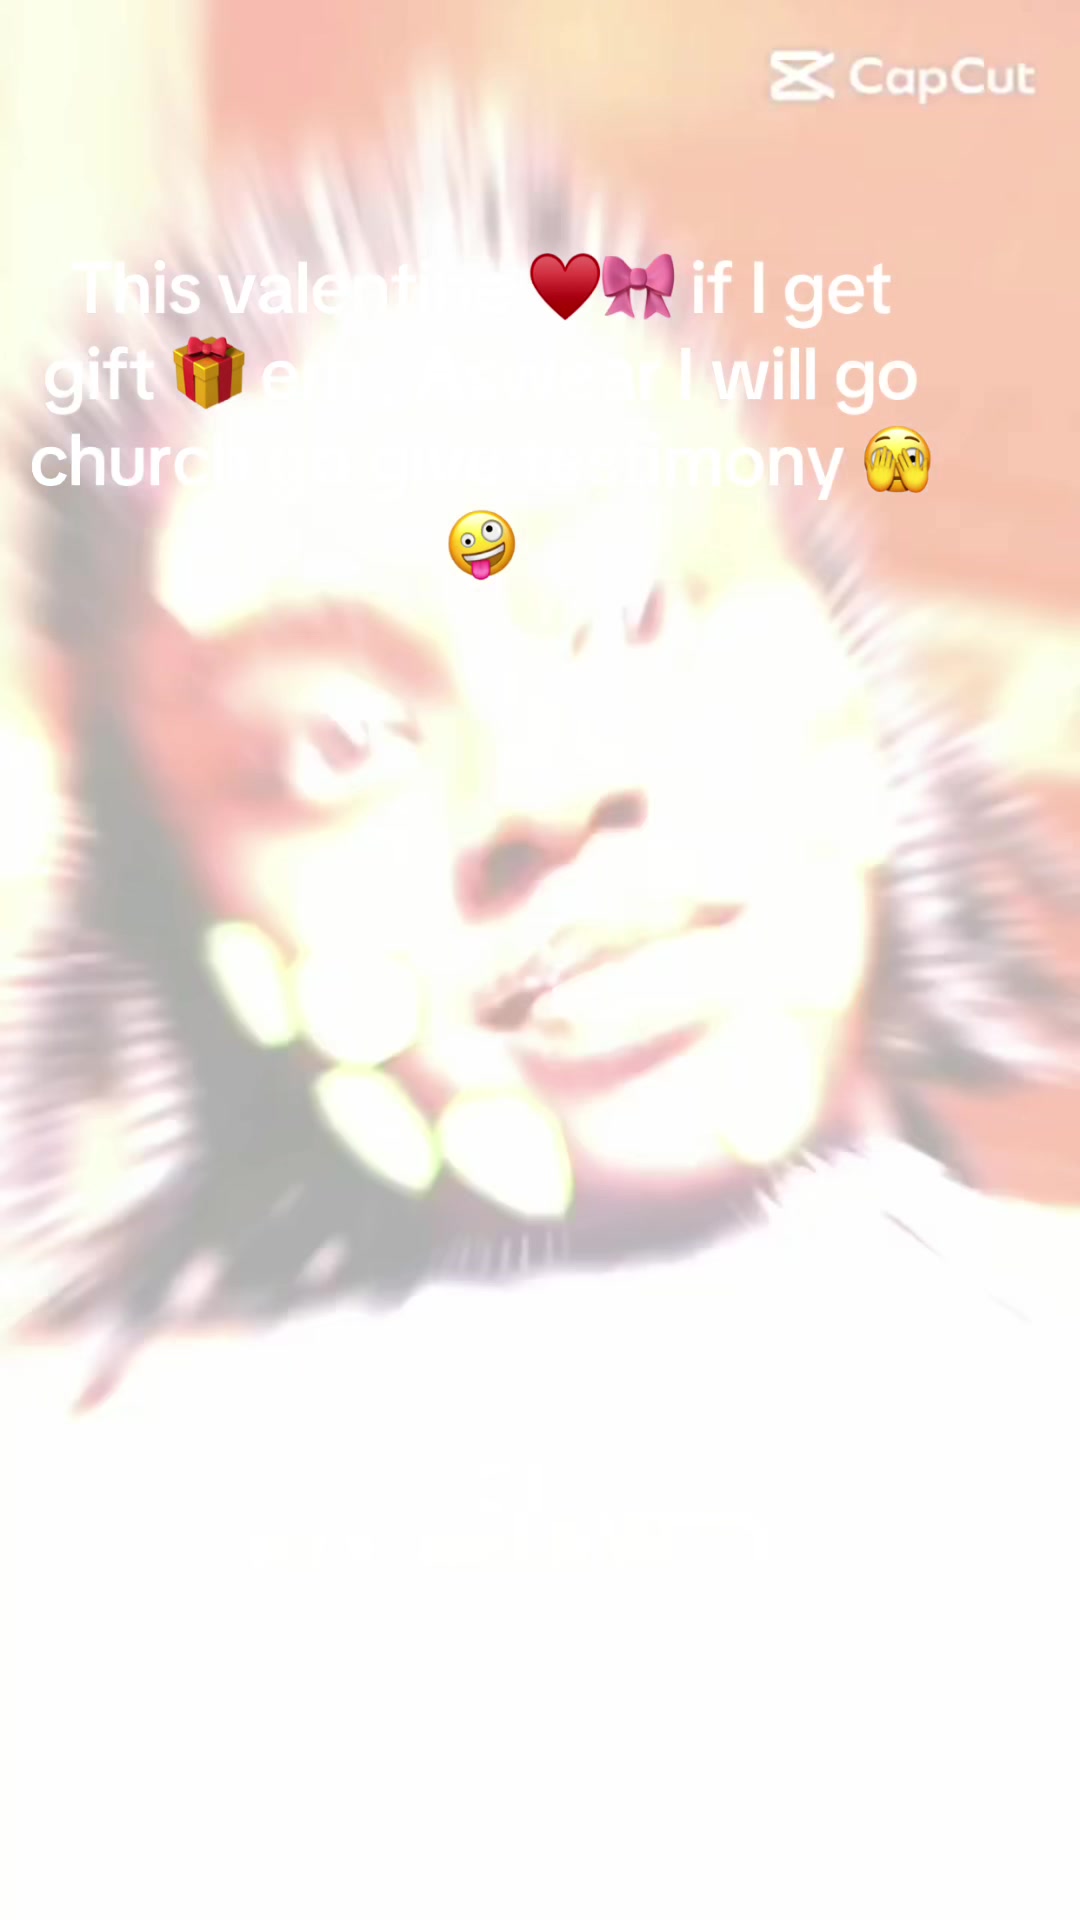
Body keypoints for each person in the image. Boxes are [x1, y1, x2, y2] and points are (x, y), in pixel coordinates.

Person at [3, 98, 1080, 1919]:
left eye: (636, 609)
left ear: (841, 679)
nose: (544, 783)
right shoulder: (80, 1548)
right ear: (187, 919)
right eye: (332, 741)